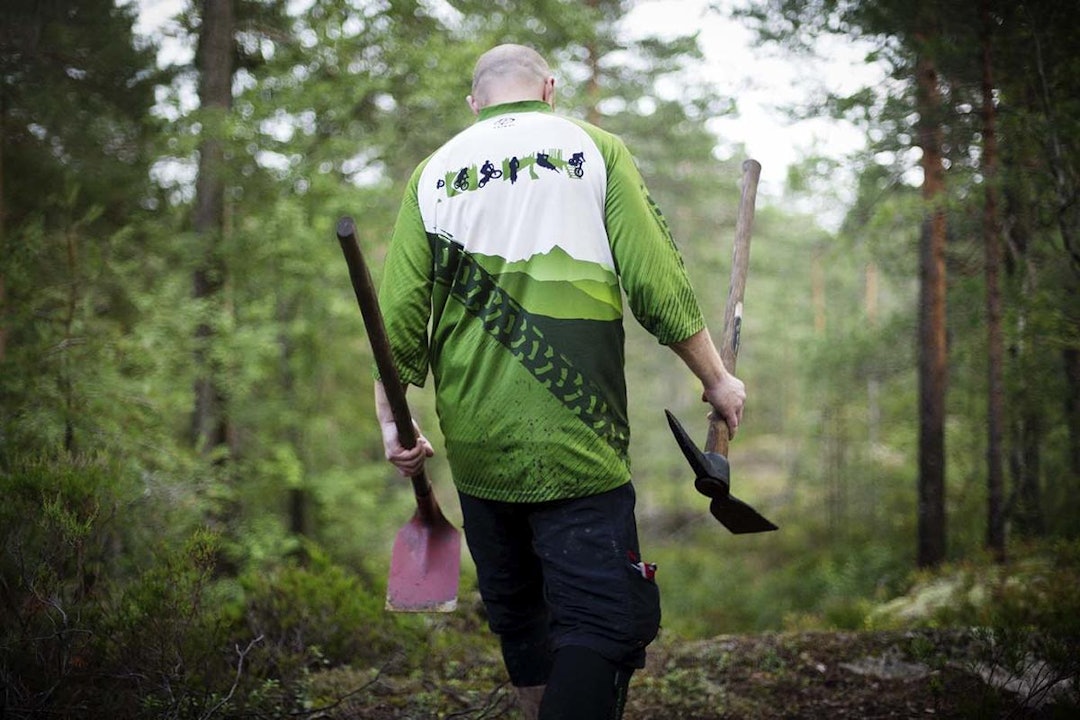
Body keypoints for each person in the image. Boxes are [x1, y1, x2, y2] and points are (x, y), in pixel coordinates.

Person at [374, 44, 746, 720]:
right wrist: (717, 379)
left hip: (479, 449)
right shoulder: (593, 148)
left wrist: (393, 428)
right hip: (579, 444)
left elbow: (394, 322)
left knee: (522, 623)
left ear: (474, 104)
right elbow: (656, 283)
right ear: (549, 88)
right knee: (602, 624)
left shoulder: (431, 174)